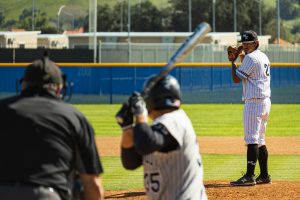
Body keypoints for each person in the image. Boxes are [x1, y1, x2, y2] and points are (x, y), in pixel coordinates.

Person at [0, 55, 104, 200]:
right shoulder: (73, 117)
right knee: (77, 184)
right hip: (46, 195)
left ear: (24, 85)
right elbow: (93, 184)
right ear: (59, 88)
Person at [115, 75, 207, 200]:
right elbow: (130, 162)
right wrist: (127, 129)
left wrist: (140, 115)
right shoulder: (161, 127)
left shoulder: (175, 120)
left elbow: (145, 144)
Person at [229, 30, 272, 186]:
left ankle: (249, 176)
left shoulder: (251, 58)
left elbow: (236, 79)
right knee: (260, 140)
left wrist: (232, 62)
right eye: (244, 43)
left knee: (251, 139)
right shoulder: (262, 56)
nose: (245, 46)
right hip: (265, 101)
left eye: (248, 43)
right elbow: (248, 69)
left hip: (254, 102)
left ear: (256, 43)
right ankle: (265, 175)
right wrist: (241, 55)